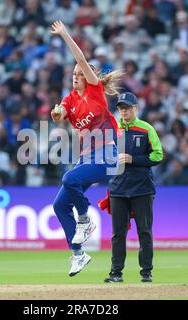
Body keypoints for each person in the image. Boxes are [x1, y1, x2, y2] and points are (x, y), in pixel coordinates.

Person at [50, 21, 122, 277]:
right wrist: (56, 112)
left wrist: (64, 35)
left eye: (78, 74)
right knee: (59, 205)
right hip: (86, 158)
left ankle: (85, 218)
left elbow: (79, 57)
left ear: (87, 75)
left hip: (107, 156)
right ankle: (79, 254)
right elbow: (59, 113)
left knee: (69, 178)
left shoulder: (95, 90)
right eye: (73, 75)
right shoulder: (71, 98)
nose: (74, 77)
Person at [104, 92, 163, 283]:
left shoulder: (146, 129)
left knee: (144, 231)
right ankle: (116, 273)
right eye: (121, 108)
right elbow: (103, 155)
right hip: (118, 188)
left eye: (127, 108)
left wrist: (133, 160)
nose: (123, 111)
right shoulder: (112, 130)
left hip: (142, 188)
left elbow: (158, 155)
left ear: (135, 109)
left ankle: (146, 272)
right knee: (117, 234)